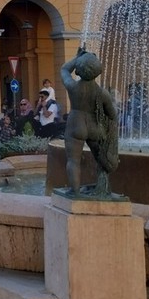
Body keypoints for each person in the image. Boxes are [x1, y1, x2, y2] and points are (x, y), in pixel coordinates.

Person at [61, 49, 119, 197]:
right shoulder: (103, 93)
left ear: (78, 71)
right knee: (101, 160)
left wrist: (77, 57)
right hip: (95, 128)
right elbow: (112, 115)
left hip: (75, 125)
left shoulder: (72, 86)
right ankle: (102, 187)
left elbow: (64, 69)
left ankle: (74, 191)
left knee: (73, 160)